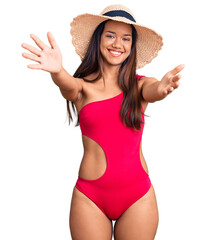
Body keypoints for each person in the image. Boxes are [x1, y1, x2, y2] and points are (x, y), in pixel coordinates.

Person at [21, 4, 185, 240]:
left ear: (132, 45)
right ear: (98, 39)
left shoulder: (139, 85)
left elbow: (154, 90)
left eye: (126, 38)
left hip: (137, 196)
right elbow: (68, 84)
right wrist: (57, 72)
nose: (118, 44)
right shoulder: (82, 88)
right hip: (90, 198)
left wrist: (162, 87)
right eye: (110, 35)